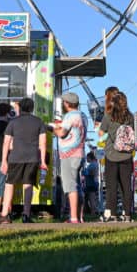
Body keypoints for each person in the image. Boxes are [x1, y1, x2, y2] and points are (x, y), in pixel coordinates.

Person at [0, 97, 46, 224]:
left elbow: (6, 142)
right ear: (32, 108)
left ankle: (5, 214)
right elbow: (43, 143)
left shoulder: (13, 122)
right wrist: (43, 161)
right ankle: (26, 214)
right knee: (28, 184)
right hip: (32, 157)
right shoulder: (38, 122)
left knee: (10, 184)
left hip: (15, 157)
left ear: (20, 108)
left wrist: (3, 161)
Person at [99, 91, 137, 222]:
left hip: (111, 155)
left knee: (111, 186)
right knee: (126, 187)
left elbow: (101, 133)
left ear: (113, 103)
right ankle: (127, 215)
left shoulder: (108, 116)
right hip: (127, 155)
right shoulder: (130, 117)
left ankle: (113, 214)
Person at [53, 92, 88, 224]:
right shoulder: (82, 116)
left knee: (70, 186)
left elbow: (62, 133)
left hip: (69, 154)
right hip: (79, 153)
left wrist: (54, 129)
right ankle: (79, 216)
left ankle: (73, 217)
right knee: (77, 186)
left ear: (66, 103)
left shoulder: (70, 116)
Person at [82, 151, 100, 216]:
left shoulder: (92, 165)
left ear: (90, 158)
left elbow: (89, 173)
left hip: (91, 183)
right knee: (89, 198)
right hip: (92, 183)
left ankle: (93, 212)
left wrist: (84, 172)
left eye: (87, 158)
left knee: (91, 199)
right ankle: (89, 211)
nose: (87, 160)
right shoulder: (95, 164)